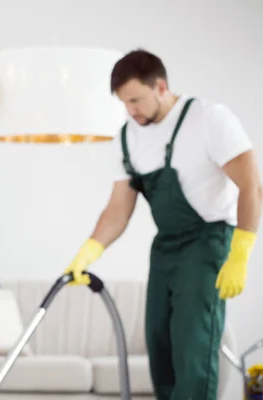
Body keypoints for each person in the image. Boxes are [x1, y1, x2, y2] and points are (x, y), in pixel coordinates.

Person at [63, 49, 262, 399]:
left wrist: (240, 252)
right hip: (166, 246)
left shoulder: (207, 119)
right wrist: (88, 251)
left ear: (161, 87)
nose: (131, 110)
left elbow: (252, 185)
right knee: (161, 344)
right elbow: (117, 209)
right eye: (124, 103)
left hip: (208, 242)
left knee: (193, 344)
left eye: (136, 100)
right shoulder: (127, 137)